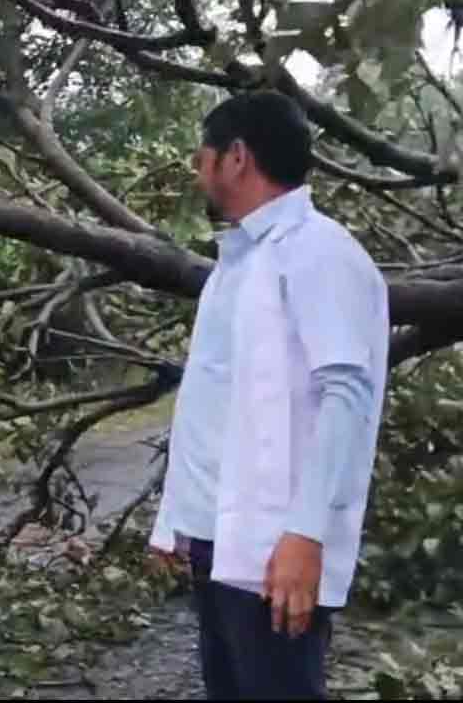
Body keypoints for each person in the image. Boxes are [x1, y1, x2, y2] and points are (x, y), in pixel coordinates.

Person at [147, 91, 389, 699]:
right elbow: (213, 401)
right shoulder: (240, 263)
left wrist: (307, 535)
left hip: (276, 547)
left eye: (201, 157)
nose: (197, 172)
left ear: (236, 157)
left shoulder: (319, 252)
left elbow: (346, 395)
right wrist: (176, 517)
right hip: (220, 540)